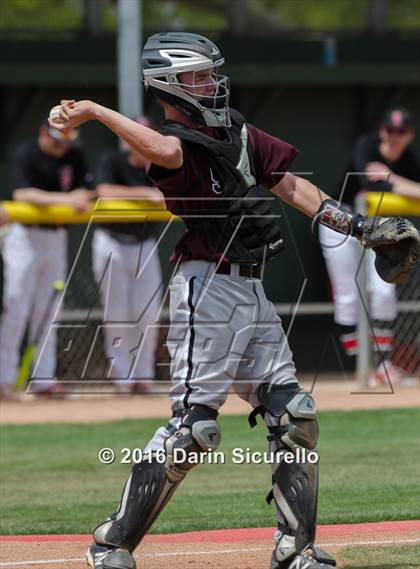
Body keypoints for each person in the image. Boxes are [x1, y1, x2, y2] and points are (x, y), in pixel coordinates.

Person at [48, 32, 409, 569]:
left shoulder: (236, 128)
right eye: (196, 77)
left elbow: (291, 187)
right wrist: (99, 112)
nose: (211, 83)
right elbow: (165, 150)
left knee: (295, 414)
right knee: (195, 427)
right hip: (205, 287)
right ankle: (112, 541)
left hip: (251, 289)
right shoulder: (173, 141)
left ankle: (294, 550)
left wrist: (357, 227)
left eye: (210, 73)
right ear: (169, 86)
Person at [319, 107, 420, 384]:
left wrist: (391, 177)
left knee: (384, 291)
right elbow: (368, 186)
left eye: (402, 131)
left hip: (380, 225)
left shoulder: (408, 159)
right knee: (348, 295)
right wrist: (397, 183)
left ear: (410, 135)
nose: (395, 136)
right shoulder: (367, 145)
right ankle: (361, 367)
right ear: (382, 130)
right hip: (342, 221)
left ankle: (381, 365)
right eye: (390, 130)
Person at [0, 120, 91, 399]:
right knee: (16, 306)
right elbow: (22, 193)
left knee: (50, 309)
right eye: (57, 141)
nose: (62, 146)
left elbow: (86, 190)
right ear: (43, 132)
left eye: (66, 141)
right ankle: (4, 379)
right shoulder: (27, 153)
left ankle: (44, 379)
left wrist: (79, 195)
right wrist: (64, 200)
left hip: (56, 238)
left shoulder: (74, 155)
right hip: (24, 237)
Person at [92, 118, 164, 394]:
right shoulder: (113, 160)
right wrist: (145, 194)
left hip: (145, 242)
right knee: (116, 313)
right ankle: (122, 377)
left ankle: (143, 376)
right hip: (112, 242)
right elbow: (105, 192)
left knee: (147, 313)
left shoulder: (156, 167)